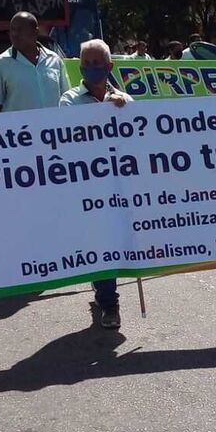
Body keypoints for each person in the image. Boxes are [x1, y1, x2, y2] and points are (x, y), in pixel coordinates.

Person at [60, 40, 132, 330]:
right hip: (86, 185)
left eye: (96, 63)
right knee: (100, 241)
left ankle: (104, 294)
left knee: (111, 241)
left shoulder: (125, 100)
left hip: (118, 185)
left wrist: (123, 108)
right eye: (85, 63)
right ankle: (109, 303)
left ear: (109, 66)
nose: (90, 69)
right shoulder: (68, 100)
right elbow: (68, 132)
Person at [0, 11, 68, 113]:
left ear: (35, 32)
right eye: (12, 30)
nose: (14, 34)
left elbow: (66, 100)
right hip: (20, 129)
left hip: (52, 128)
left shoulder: (55, 60)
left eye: (20, 30)